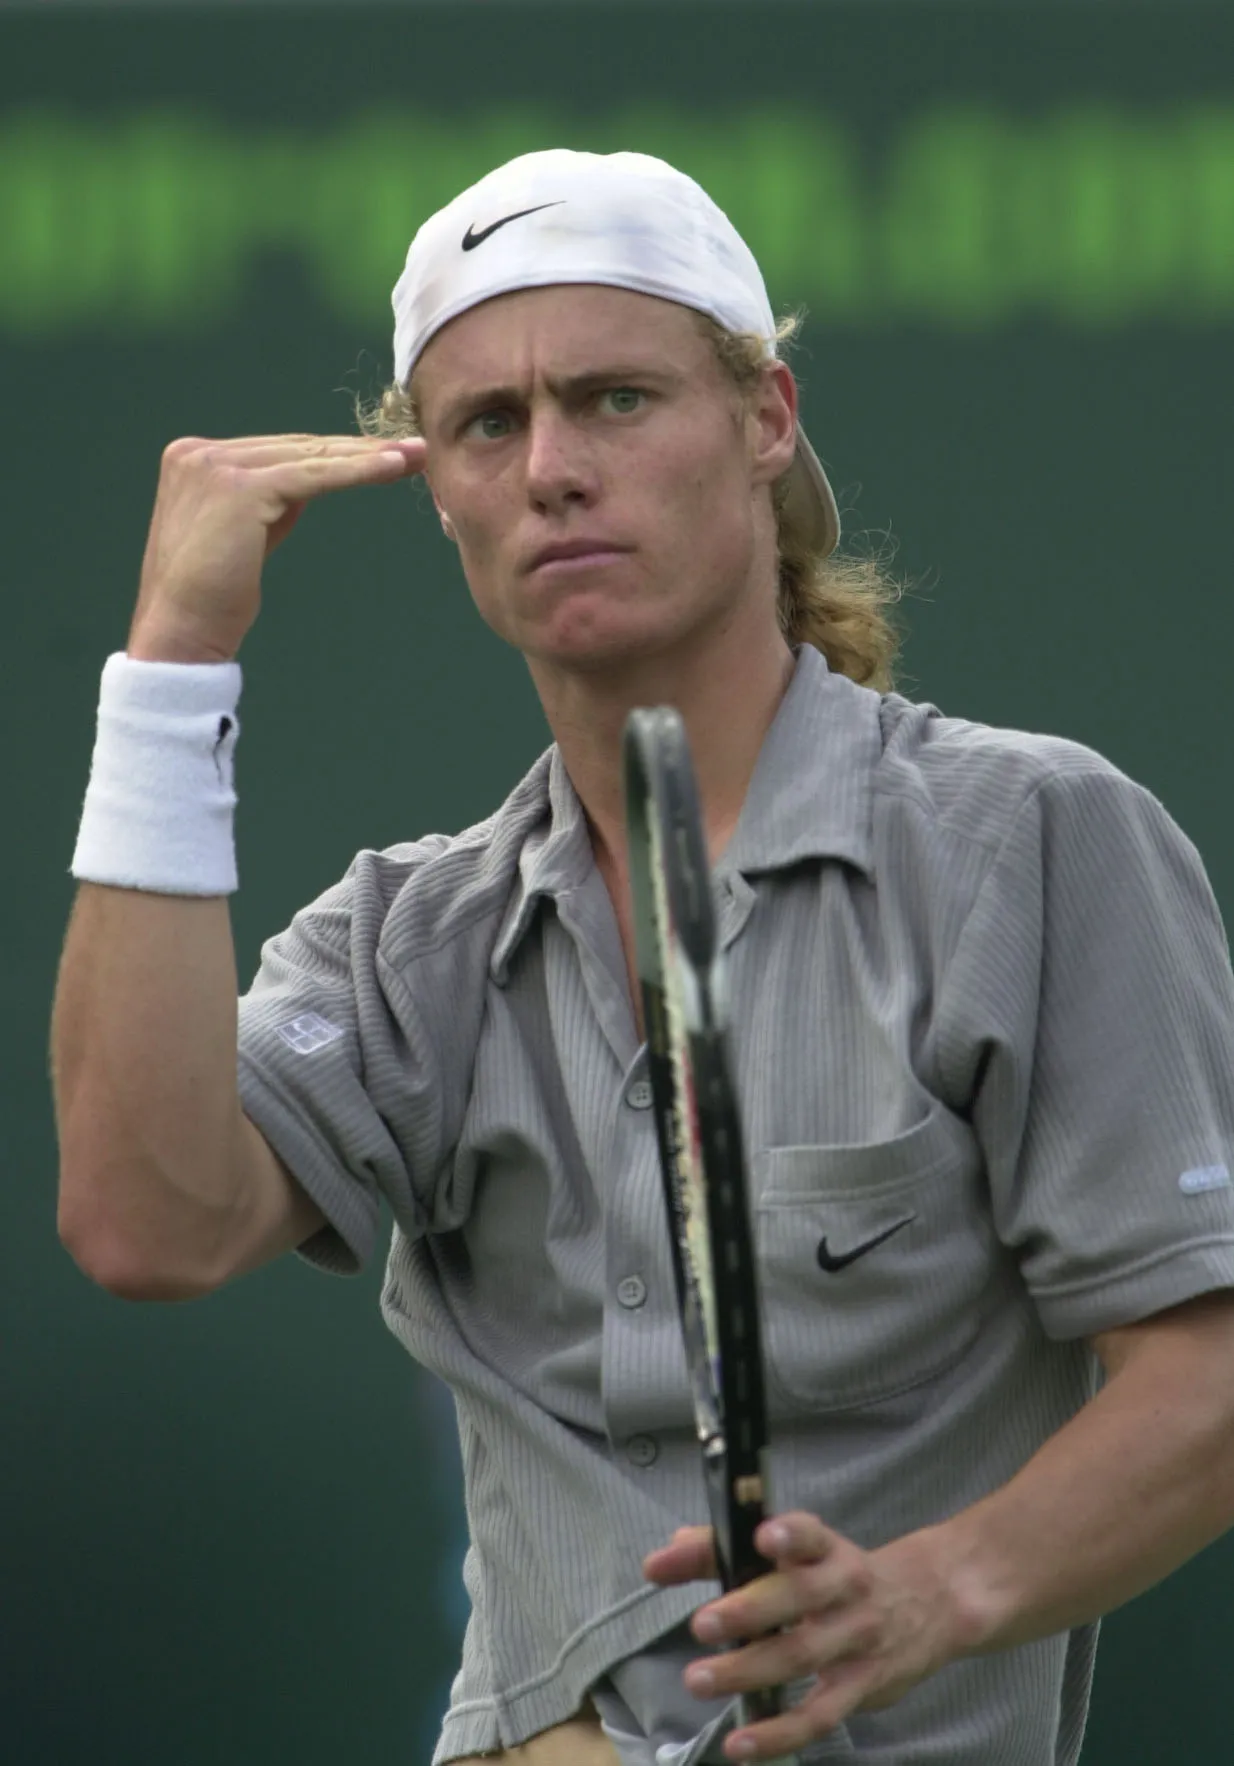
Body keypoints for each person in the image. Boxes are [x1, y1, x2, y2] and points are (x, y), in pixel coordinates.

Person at [52, 150, 1234, 1766]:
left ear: (764, 421)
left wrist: (932, 1591)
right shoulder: (407, 937)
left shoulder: (1031, 839)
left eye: (615, 399)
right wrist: (170, 669)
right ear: (436, 486)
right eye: (488, 424)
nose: (551, 468)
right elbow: (146, 1219)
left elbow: (1205, 1377)